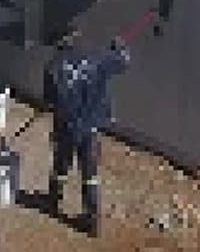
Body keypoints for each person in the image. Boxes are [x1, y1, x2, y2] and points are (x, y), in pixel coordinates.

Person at [43, 30, 133, 236]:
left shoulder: (52, 68)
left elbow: (50, 101)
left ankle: (52, 202)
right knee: (90, 175)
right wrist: (119, 46)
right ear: (76, 39)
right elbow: (125, 61)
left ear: (59, 44)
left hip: (66, 128)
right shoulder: (97, 58)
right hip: (90, 128)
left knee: (60, 168)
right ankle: (92, 222)